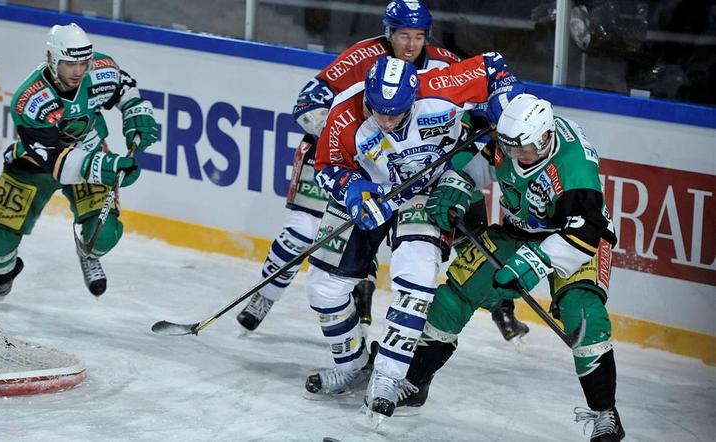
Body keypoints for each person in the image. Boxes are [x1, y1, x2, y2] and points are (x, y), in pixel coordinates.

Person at [237, 0, 528, 343]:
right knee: (303, 230)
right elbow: (308, 102)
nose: (410, 44)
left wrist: (489, 117)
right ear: (389, 34)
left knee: (467, 218)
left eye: (418, 36)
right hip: (348, 159)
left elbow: (476, 105)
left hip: (414, 165)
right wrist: (350, 142)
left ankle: (501, 306)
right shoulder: (363, 57)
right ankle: (265, 295)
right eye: (403, 35)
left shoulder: (444, 64)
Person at [302, 53, 525, 407]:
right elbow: (327, 165)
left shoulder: (439, 87)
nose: (387, 121)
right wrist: (352, 188)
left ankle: (389, 377)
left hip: (428, 190)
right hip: (372, 194)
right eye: (379, 110)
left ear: (413, 96)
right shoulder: (345, 113)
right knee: (323, 289)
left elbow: (495, 66)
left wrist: (503, 101)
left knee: (417, 282)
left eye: (397, 112)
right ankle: (355, 366)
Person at [400, 94, 624, 440]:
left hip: (577, 241)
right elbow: (480, 165)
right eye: (512, 148)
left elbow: (587, 232)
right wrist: (456, 184)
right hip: (519, 230)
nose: (518, 156)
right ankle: (414, 383)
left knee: (585, 316)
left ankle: (605, 413)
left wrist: (533, 263)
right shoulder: (515, 139)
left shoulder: (574, 168)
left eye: (526, 150)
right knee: (452, 297)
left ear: (547, 137)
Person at [0, 23, 158, 301]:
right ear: (51, 59)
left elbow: (126, 88)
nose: (78, 71)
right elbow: (56, 162)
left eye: (83, 62)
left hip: (91, 151)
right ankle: (0, 281)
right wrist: (108, 167)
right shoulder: (30, 100)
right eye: (69, 64)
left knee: (103, 235)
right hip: (35, 165)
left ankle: (86, 250)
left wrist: (136, 114)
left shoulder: (99, 70)